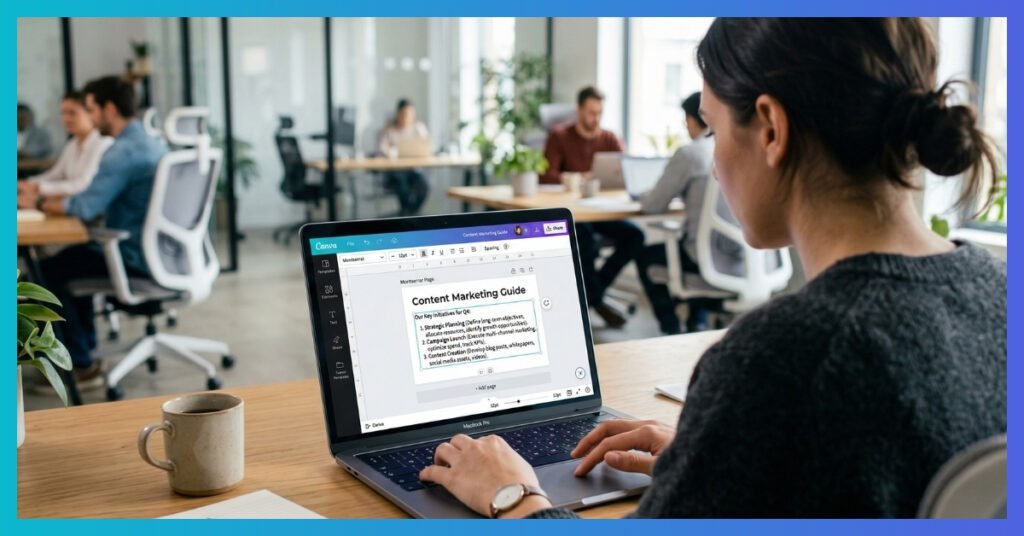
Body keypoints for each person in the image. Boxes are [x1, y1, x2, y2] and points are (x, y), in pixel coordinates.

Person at [413, 18, 1006, 518]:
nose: (715, 160)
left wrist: (514, 496)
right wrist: (709, 457)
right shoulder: (999, 293)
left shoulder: (784, 358)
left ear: (771, 129)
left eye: (715, 128)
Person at [18, 76, 167, 390]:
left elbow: (84, 207)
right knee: (68, 262)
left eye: (91, 109)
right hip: (159, 253)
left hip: (132, 257)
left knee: (47, 273)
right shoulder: (152, 142)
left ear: (108, 109)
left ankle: (80, 364)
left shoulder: (122, 152)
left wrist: (39, 201)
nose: (90, 117)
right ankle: (82, 356)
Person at [635, 92, 743, 334]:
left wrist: (640, 195)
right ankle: (697, 323)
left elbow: (653, 205)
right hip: (742, 260)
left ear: (693, 120)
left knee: (646, 254)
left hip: (705, 262)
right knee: (696, 241)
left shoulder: (690, 153)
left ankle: (671, 330)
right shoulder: (738, 148)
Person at [542, 86, 644, 328]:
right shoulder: (559, 136)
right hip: (572, 214)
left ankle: (591, 297)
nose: (596, 118)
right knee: (584, 238)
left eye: (599, 113)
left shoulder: (609, 138)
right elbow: (546, 175)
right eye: (591, 113)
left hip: (600, 211)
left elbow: (626, 170)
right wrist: (579, 178)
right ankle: (598, 301)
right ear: (578, 110)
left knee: (635, 236)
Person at [18, 91, 113, 198]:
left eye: (72, 113)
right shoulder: (72, 144)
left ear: (90, 113)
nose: (66, 119)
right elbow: (55, 175)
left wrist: (37, 187)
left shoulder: (103, 143)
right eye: (63, 113)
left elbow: (84, 185)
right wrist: (26, 183)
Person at [378, 98, 430, 215]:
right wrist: (391, 152)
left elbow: (427, 146)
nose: (408, 117)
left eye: (411, 114)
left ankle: (409, 214)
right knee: (401, 185)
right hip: (395, 170)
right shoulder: (389, 129)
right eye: (405, 113)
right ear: (398, 113)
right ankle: (408, 215)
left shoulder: (418, 128)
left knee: (425, 184)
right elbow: (381, 148)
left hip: (414, 169)